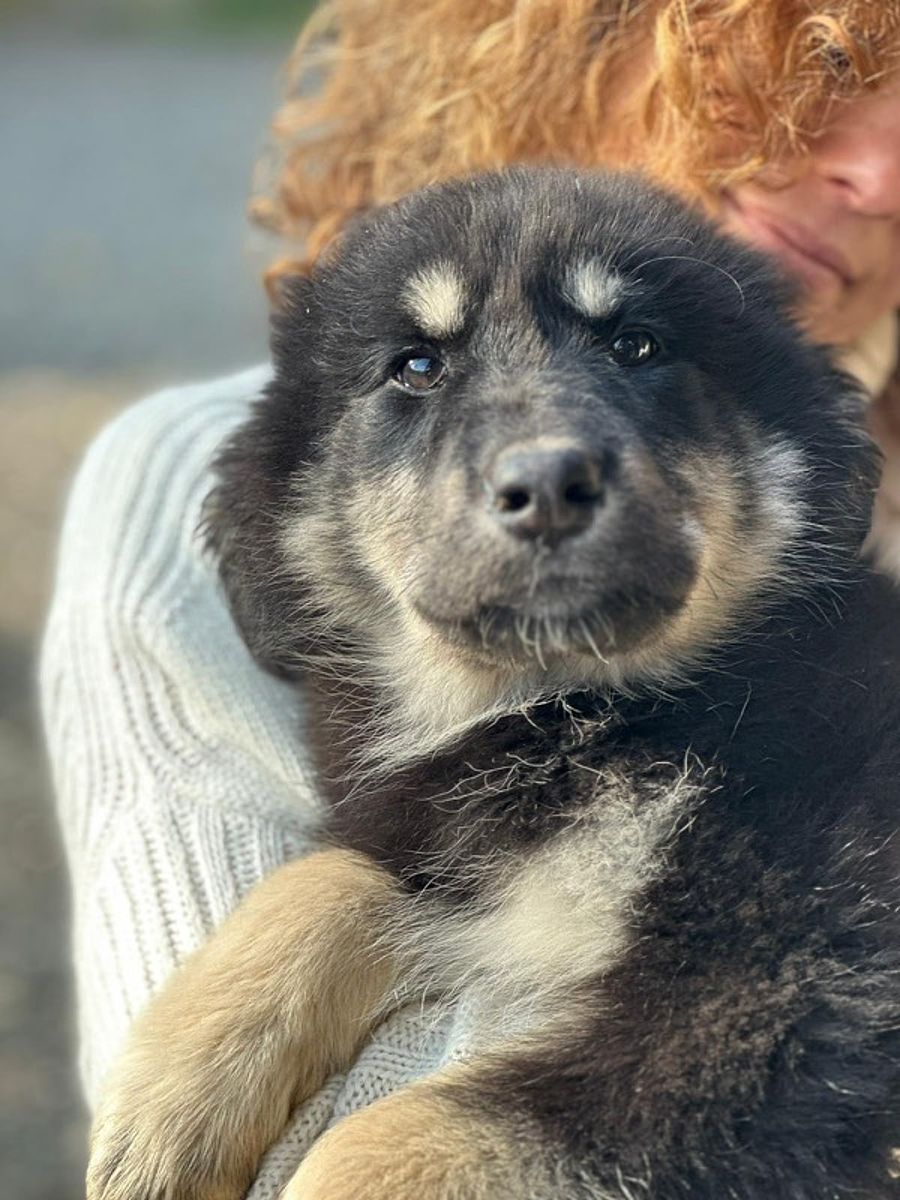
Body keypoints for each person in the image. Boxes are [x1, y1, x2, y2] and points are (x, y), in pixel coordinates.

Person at [41, 3, 900, 1195]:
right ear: (580, 42)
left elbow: (805, 1020)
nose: (878, 171)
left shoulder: (820, 630)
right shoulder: (191, 484)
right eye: (813, 70)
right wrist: (345, 917)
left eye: (640, 350)